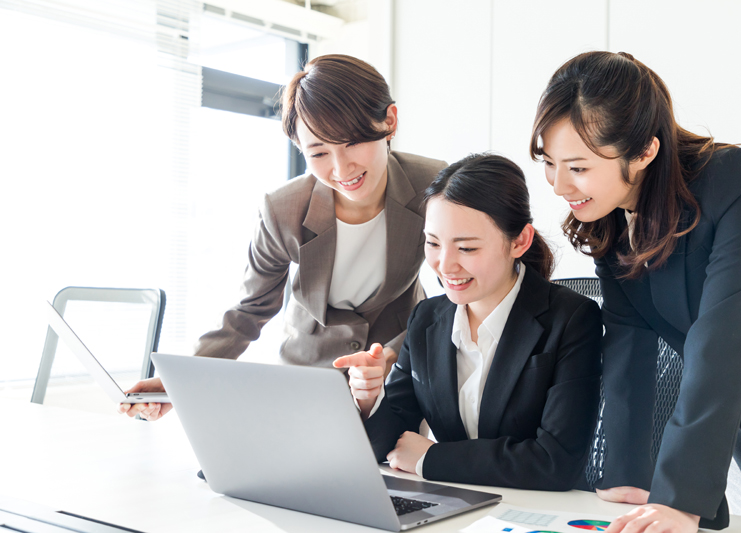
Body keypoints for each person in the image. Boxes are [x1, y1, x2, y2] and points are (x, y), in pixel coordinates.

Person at [531, 51, 741, 532]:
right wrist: (629, 476)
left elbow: (723, 337)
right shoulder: (610, 219)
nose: (557, 185)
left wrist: (680, 498)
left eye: (577, 167)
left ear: (643, 152)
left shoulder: (734, 180)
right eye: (550, 164)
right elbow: (629, 343)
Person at [119, 54, 446, 421]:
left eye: (352, 143)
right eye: (319, 152)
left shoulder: (436, 188)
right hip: (304, 376)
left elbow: (457, 296)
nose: (341, 168)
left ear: (389, 121)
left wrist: (393, 355)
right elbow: (250, 309)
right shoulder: (283, 209)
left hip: (396, 371)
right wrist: (177, 382)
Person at [334, 153, 602, 490]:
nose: (445, 266)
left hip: (532, 512)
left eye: (467, 249)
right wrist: (369, 399)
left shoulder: (572, 319)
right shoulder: (427, 318)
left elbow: (555, 462)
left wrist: (431, 459)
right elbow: (389, 441)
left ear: (519, 241)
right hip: (456, 503)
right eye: (433, 243)